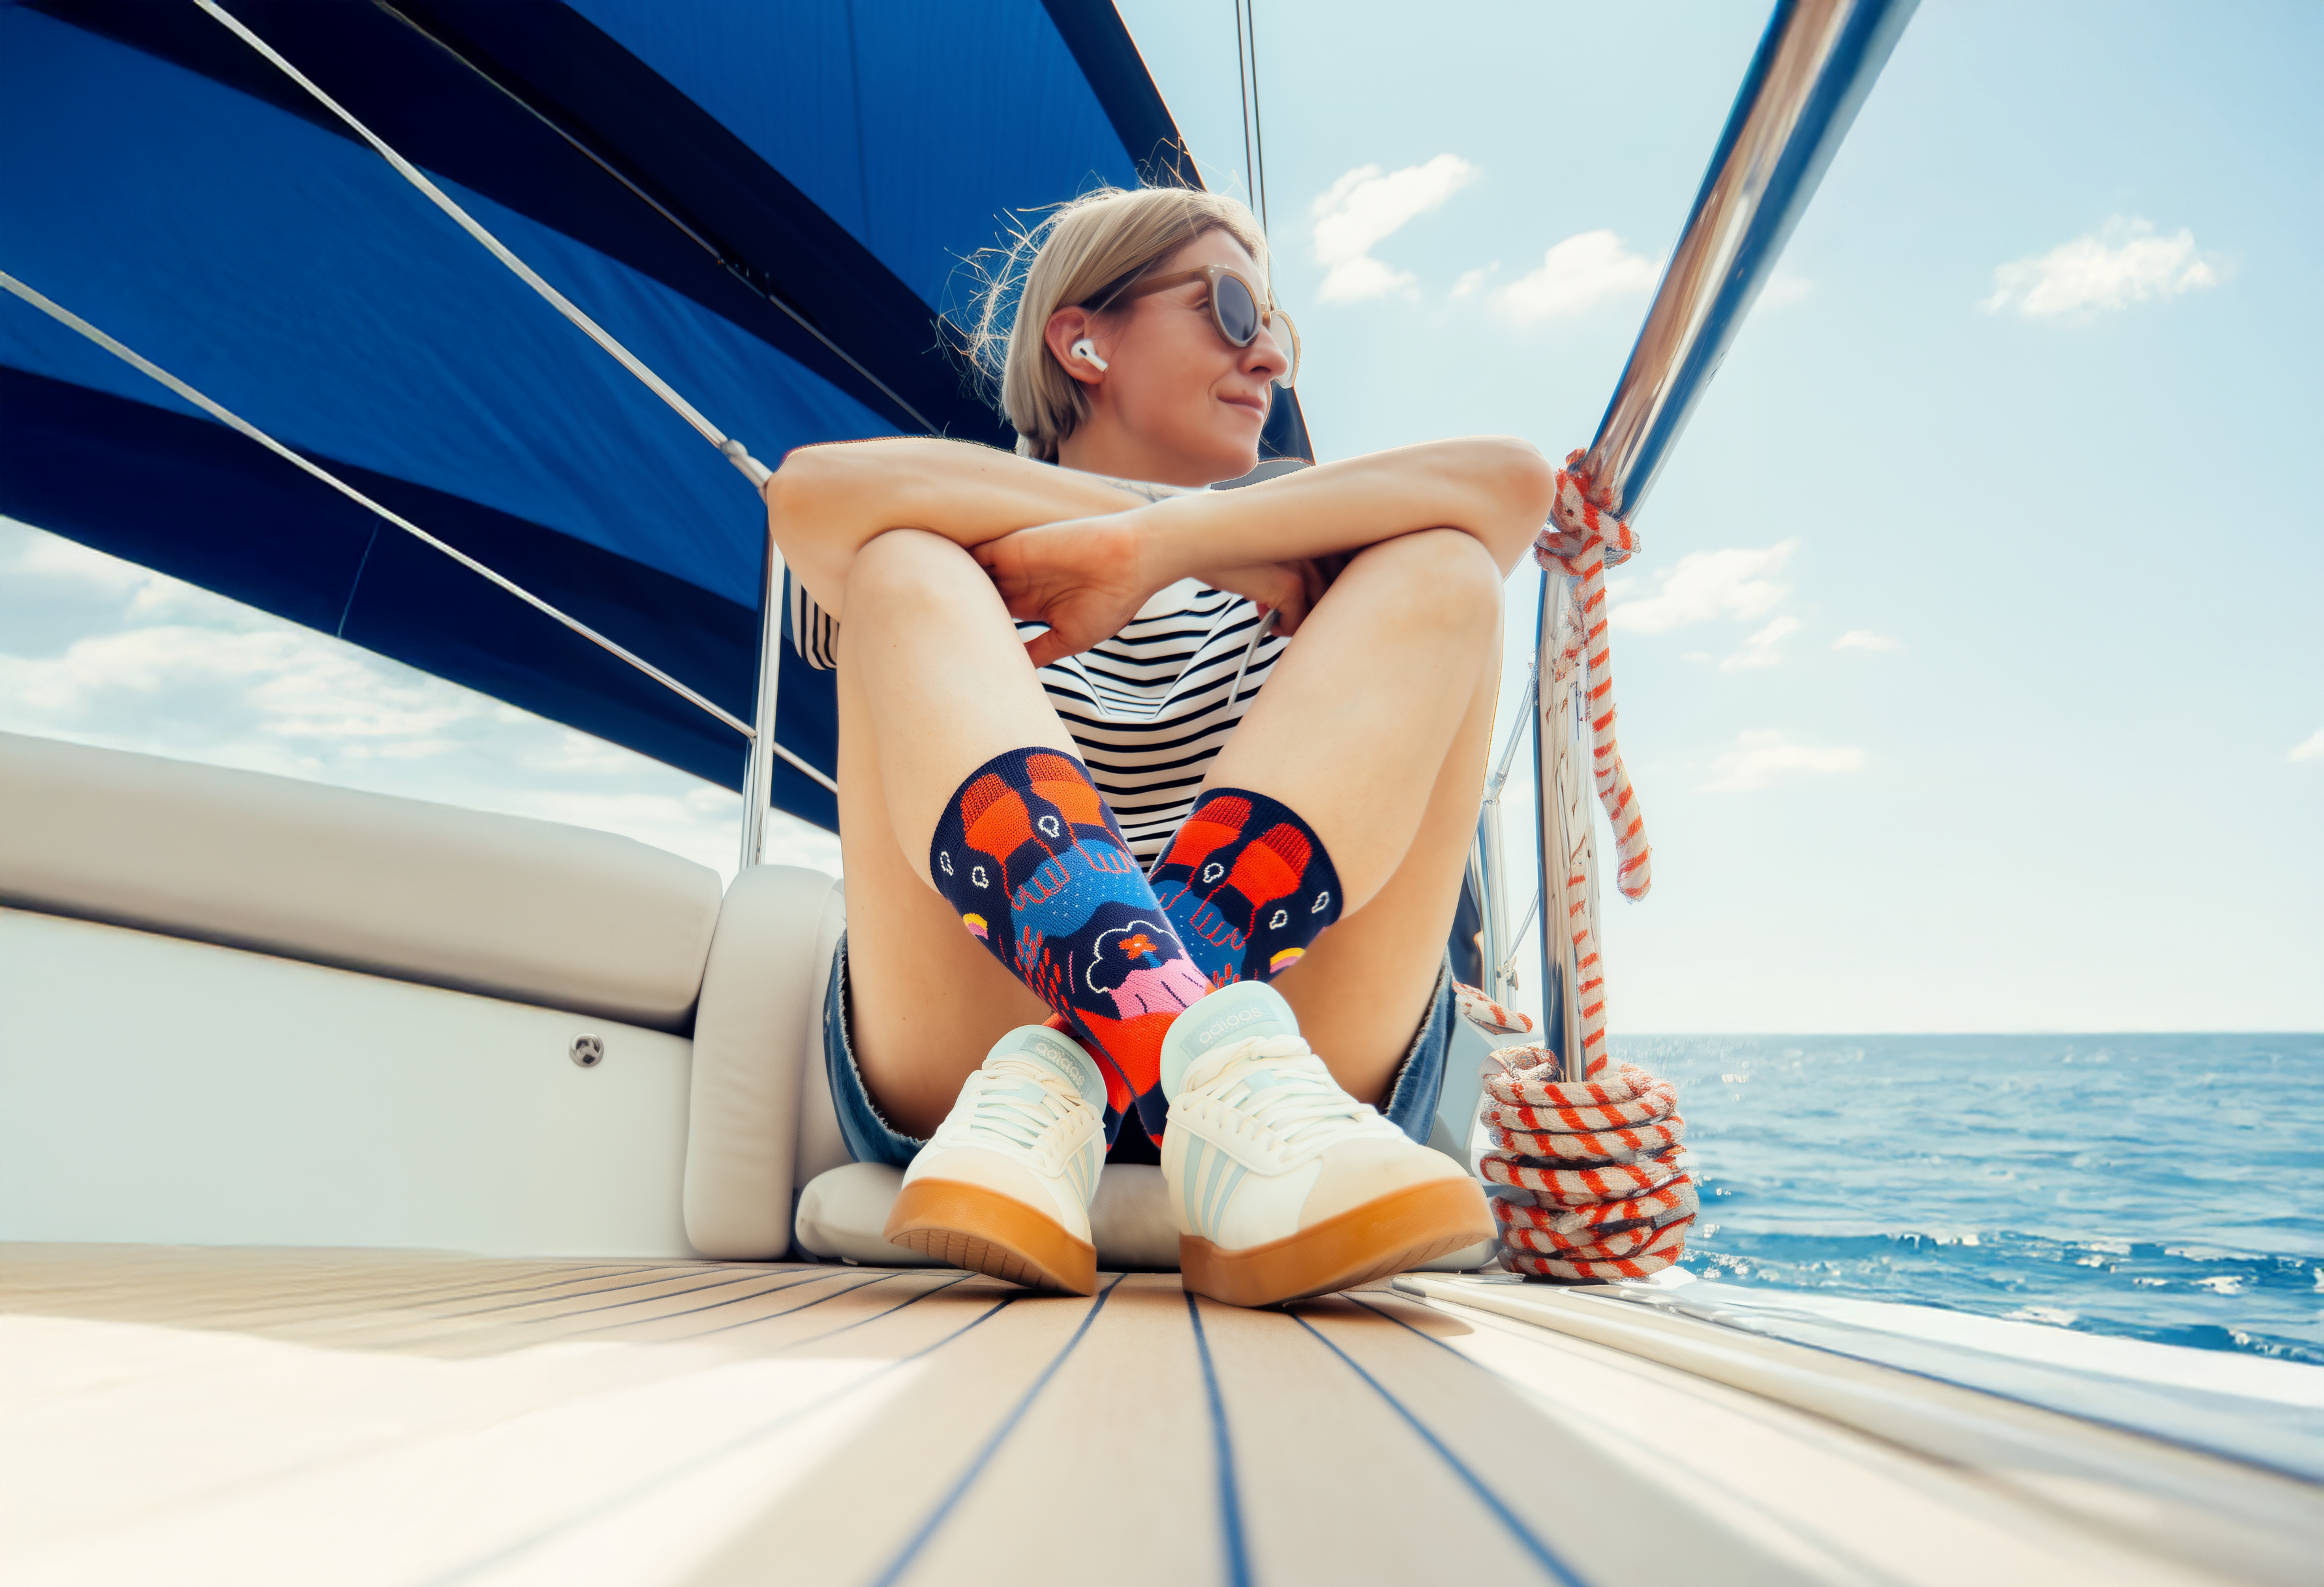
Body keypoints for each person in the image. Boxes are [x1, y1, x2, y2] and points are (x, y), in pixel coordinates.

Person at [763, 184, 1552, 1308]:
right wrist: (1150, 530)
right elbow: (810, 495)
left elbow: (1513, 485)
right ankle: (1182, 1051)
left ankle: (1136, 1061)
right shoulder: (953, 520)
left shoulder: (1313, 535)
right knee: (900, 561)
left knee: (1448, 568)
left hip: (1297, 1066)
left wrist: (1164, 544)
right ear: (1082, 341)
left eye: (1277, 328)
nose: (1267, 357)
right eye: (1229, 309)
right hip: (973, 1062)